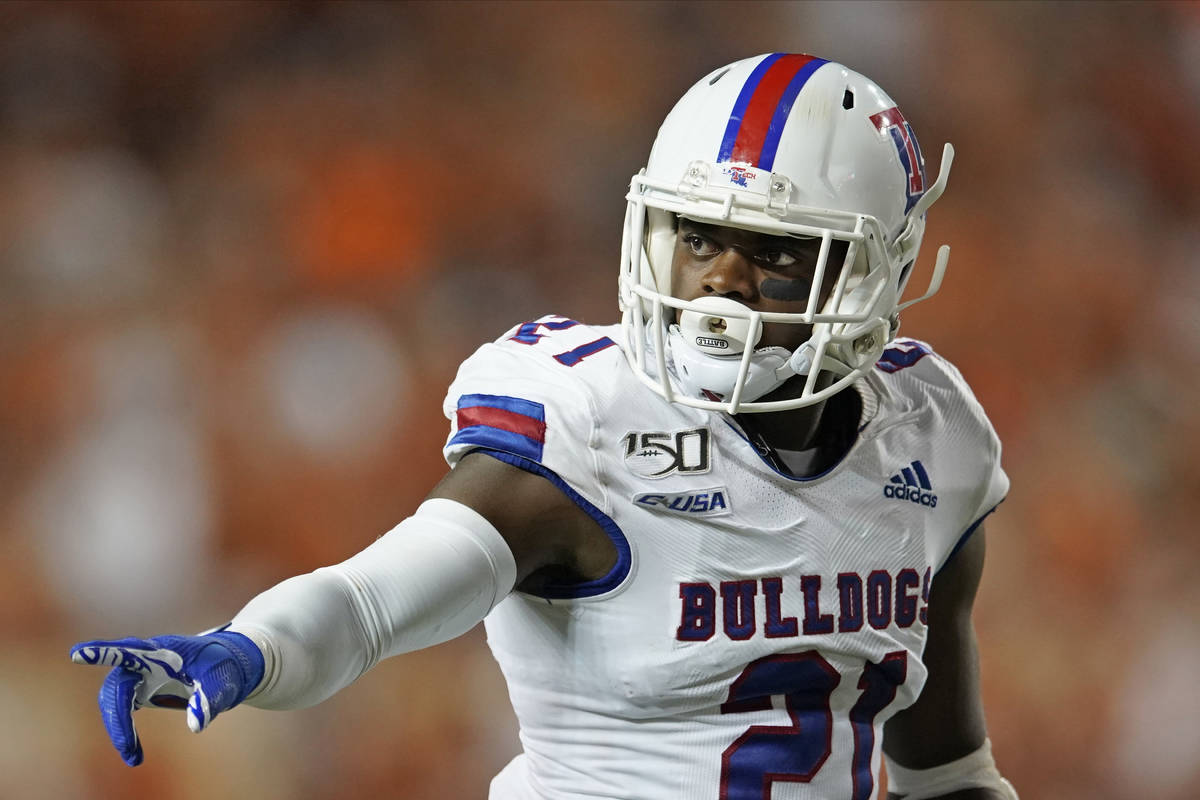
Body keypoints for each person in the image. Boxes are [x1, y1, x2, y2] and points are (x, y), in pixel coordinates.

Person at [72, 53, 1018, 800]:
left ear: (871, 276)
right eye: (696, 236)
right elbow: (368, 603)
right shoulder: (590, 420)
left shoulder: (931, 439)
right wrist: (249, 648)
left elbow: (946, 775)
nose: (720, 280)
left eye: (775, 252)